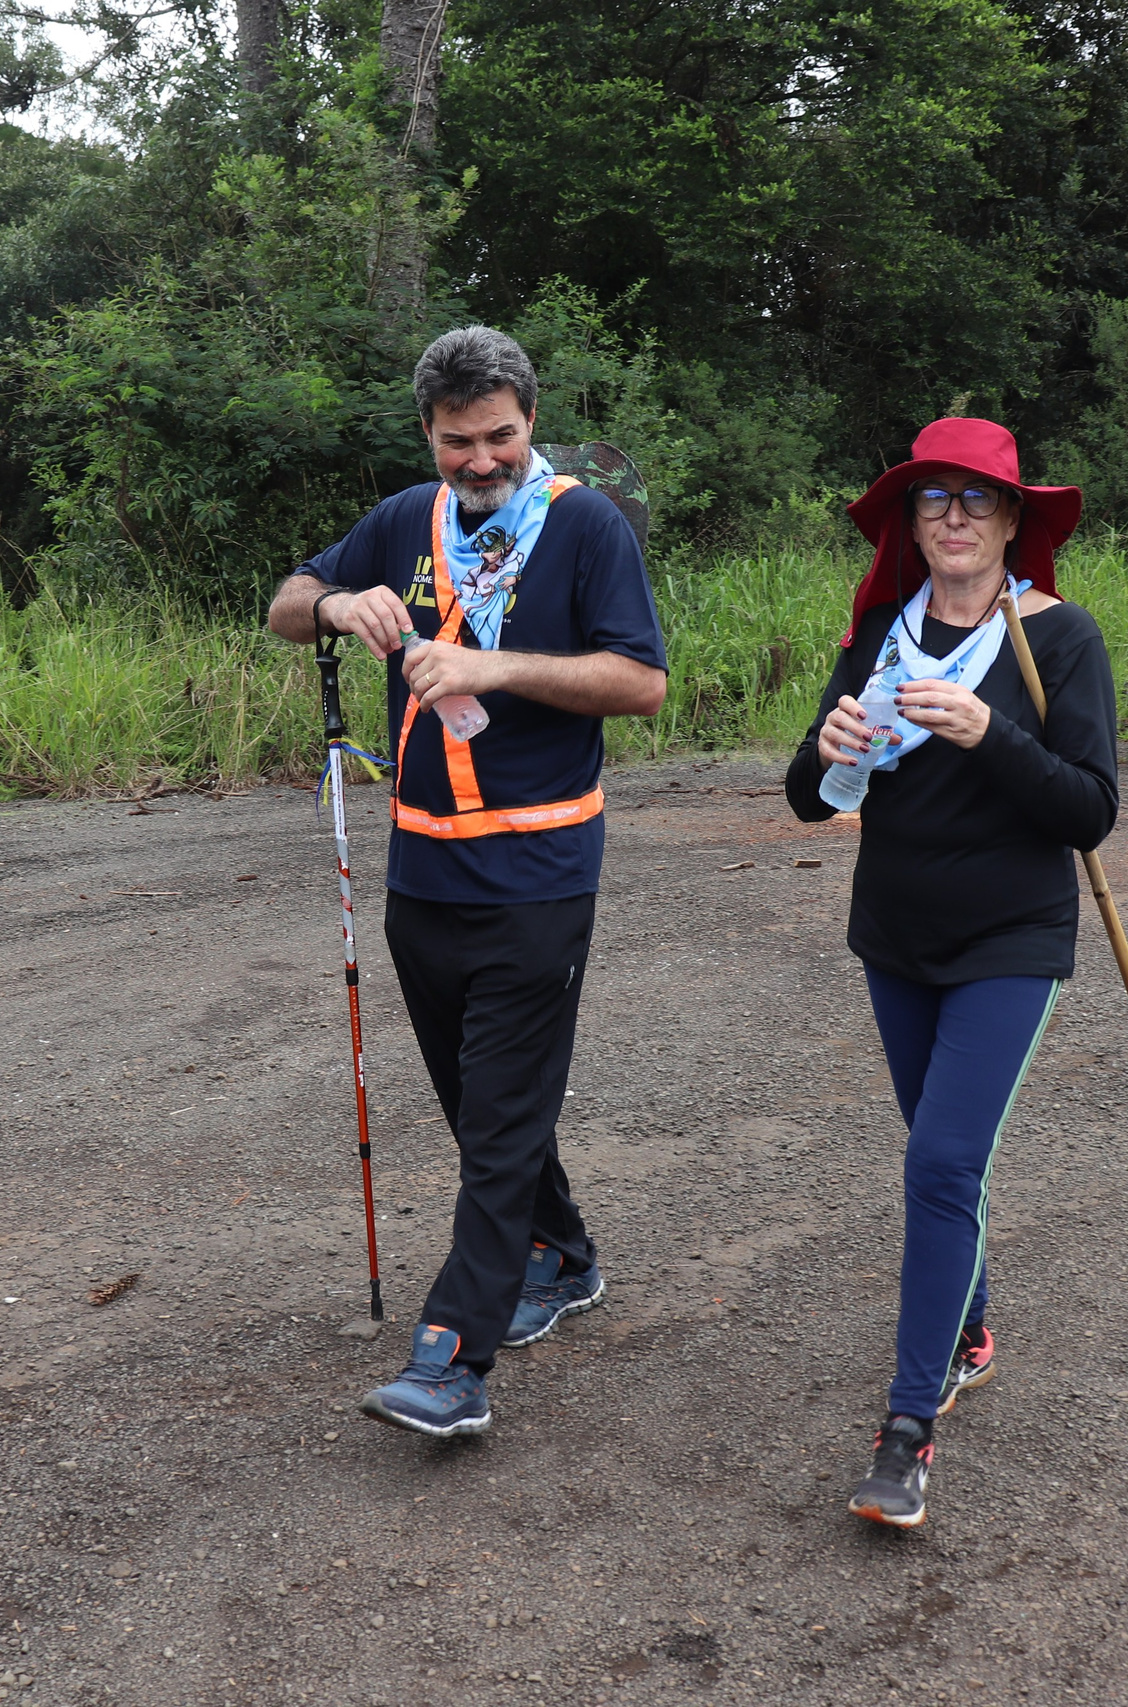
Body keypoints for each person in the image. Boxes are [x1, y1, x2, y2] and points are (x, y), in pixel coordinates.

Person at [265, 326, 668, 1438]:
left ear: (529, 421)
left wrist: (494, 666)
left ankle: (452, 1360)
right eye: (457, 442)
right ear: (428, 435)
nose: (480, 461)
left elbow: (640, 683)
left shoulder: (585, 526)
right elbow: (284, 602)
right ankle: (563, 1255)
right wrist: (339, 607)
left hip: (539, 872)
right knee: (478, 1104)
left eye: (499, 437)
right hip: (423, 872)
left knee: (496, 1123)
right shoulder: (406, 519)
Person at [782, 417, 1117, 1527]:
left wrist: (991, 733)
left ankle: (906, 1429)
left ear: (1015, 519)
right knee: (943, 1166)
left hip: (1009, 944)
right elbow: (802, 790)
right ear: (911, 521)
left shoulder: (1056, 641)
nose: (956, 517)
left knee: (937, 1164)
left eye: (978, 499)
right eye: (935, 499)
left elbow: (1090, 810)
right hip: (895, 936)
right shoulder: (884, 628)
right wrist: (822, 752)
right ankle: (969, 1331)